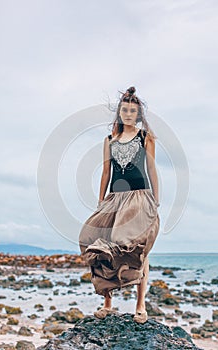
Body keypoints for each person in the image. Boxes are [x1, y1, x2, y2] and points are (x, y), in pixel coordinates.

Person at [79, 86, 160, 324]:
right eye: (124, 110)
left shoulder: (145, 137)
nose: (127, 114)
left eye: (132, 111)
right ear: (119, 113)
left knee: (138, 250)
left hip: (139, 198)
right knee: (99, 244)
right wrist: (100, 200)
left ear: (138, 114)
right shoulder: (109, 140)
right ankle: (107, 303)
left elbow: (152, 168)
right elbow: (106, 172)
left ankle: (140, 305)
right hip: (115, 199)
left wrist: (156, 199)